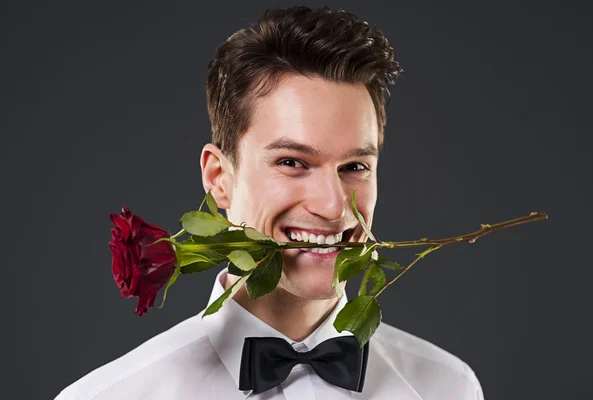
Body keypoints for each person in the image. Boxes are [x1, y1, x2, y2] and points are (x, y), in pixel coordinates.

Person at [55, 6, 484, 399]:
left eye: (355, 166)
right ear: (219, 178)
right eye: (293, 162)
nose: (333, 207)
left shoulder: (449, 387)